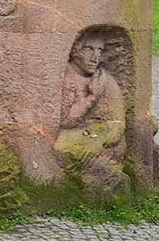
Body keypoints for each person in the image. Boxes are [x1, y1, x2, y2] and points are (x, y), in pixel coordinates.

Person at [54, 30, 128, 199]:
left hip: (104, 135)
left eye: (100, 50)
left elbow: (118, 122)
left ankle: (105, 185)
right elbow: (66, 121)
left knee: (81, 151)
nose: (96, 57)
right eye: (89, 49)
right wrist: (91, 97)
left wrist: (99, 140)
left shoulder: (105, 80)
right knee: (64, 148)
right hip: (77, 132)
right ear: (75, 51)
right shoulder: (67, 76)